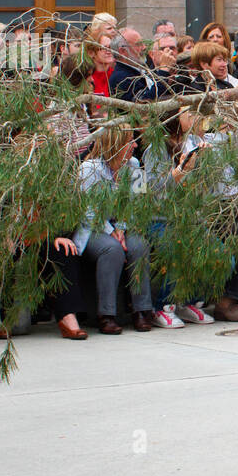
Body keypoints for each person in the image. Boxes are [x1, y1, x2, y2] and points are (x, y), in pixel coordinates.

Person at [74, 126, 156, 335]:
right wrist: (111, 231)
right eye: (130, 141)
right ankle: (106, 314)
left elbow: (138, 203)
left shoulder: (135, 165)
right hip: (94, 227)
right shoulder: (89, 168)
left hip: (124, 224)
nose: (135, 146)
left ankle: (141, 310)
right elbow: (88, 210)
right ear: (115, 145)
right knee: (112, 250)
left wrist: (121, 227)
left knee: (139, 246)